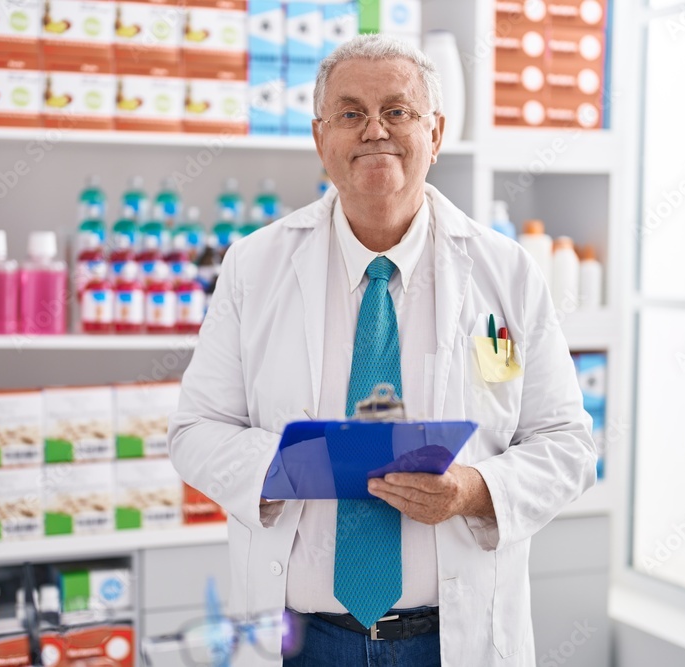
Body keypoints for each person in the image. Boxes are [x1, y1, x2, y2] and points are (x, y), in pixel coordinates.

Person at [168, 34, 597, 667]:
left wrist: (475, 489)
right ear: (321, 138)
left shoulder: (506, 272)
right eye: (350, 114)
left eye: (397, 111)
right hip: (302, 641)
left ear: (436, 132)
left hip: (452, 637)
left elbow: (568, 443)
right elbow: (194, 432)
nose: (375, 131)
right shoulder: (253, 266)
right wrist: (282, 465)